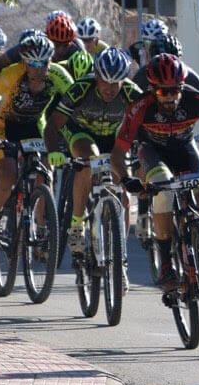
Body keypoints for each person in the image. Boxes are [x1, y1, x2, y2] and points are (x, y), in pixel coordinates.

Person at [110, 53, 199, 294]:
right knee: (163, 190)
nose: (171, 97)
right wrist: (125, 178)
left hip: (186, 149)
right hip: (153, 151)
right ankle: (166, 262)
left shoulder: (196, 100)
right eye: (164, 92)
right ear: (153, 89)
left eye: (176, 90)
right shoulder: (140, 107)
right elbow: (117, 153)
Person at [0, 35, 74, 252]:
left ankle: (42, 223)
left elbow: (77, 104)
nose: (39, 69)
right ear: (25, 62)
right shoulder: (13, 74)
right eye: (33, 64)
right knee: (8, 176)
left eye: (44, 63)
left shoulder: (57, 74)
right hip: (4, 124)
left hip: (34, 124)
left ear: (51, 60)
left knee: (47, 170)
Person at [44, 47, 140, 253]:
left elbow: (147, 125)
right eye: (105, 81)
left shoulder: (132, 93)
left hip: (112, 137)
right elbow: (53, 124)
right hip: (81, 132)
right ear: (96, 77)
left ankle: (119, 253)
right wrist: (53, 150)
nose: (110, 88)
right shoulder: (81, 88)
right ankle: (77, 224)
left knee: (122, 184)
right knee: (89, 161)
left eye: (116, 82)